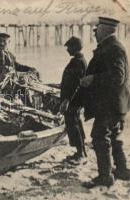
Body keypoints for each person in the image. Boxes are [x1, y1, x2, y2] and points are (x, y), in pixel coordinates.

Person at [81, 17, 130, 188]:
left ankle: (105, 176)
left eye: (97, 28)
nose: (94, 32)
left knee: (99, 137)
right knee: (114, 136)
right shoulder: (113, 46)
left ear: (105, 30)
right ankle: (123, 170)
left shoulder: (113, 48)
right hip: (117, 103)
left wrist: (93, 79)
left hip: (111, 105)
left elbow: (118, 77)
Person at [59, 36, 87, 164]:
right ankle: (81, 152)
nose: (67, 49)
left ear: (74, 48)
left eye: (68, 47)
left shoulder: (78, 62)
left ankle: (80, 154)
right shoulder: (79, 60)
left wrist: (67, 100)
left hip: (74, 100)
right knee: (76, 123)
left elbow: (75, 84)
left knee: (73, 124)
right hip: (76, 99)